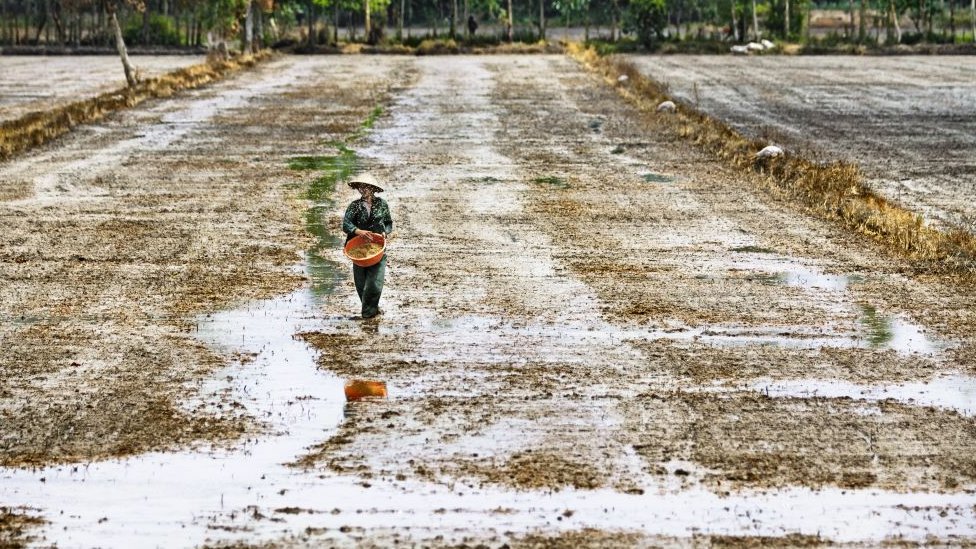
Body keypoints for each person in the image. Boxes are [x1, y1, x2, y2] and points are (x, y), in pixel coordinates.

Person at [342, 173, 393, 319]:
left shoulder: (382, 204)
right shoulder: (354, 206)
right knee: (361, 284)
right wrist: (358, 232)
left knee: (375, 283)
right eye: (361, 187)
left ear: (373, 189)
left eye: (366, 187)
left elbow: (388, 222)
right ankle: (372, 309)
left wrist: (385, 232)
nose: (363, 190)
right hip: (358, 248)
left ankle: (368, 315)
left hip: (377, 247)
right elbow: (346, 224)